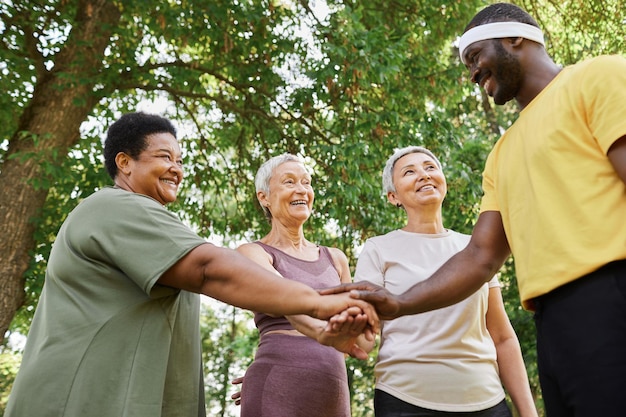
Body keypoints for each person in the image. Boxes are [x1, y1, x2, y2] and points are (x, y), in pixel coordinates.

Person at [323, 4, 626, 417]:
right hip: (554, 325)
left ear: (514, 39)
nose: (471, 73)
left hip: (611, 296)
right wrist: (399, 303)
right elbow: (481, 257)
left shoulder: (599, 76)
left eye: (474, 57)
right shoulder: (501, 153)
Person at [4, 112, 378, 417]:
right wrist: (320, 303)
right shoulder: (114, 207)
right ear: (125, 163)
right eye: (165, 157)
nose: (177, 169)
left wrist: (317, 332)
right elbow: (208, 269)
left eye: (180, 160)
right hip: (83, 400)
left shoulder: (151, 221)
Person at [355, 146, 536, 417]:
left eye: (430, 168)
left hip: (486, 401)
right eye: (409, 172)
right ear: (393, 196)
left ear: (443, 181)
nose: (424, 175)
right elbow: (365, 335)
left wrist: (528, 412)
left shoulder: (476, 250)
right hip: (404, 400)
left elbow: (502, 337)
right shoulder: (378, 249)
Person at [235, 153, 374, 417]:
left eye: (306, 182)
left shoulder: (336, 258)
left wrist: (365, 324)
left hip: (331, 388)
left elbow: (362, 345)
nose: (301, 190)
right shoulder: (252, 253)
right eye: (289, 182)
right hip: (276, 383)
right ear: (264, 196)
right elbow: (286, 300)